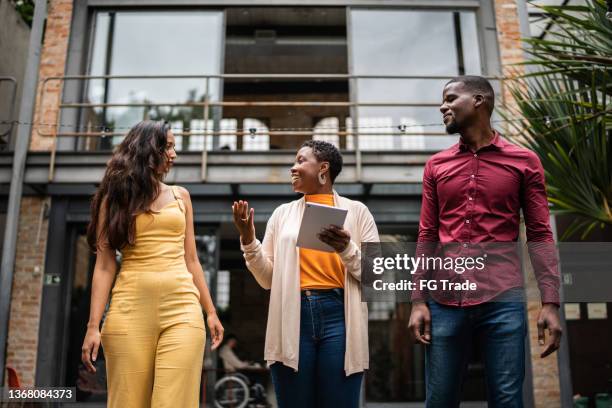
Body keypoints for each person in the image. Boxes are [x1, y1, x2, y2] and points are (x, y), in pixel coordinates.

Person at [408, 76, 562, 407]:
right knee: (439, 400)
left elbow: (539, 233)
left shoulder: (524, 161)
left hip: (503, 301)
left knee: (507, 400)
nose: (442, 106)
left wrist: (550, 301)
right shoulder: (436, 166)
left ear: (479, 101)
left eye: (450, 98)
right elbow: (427, 234)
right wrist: (418, 299)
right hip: (445, 302)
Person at [80, 120, 224, 408]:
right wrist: (93, 326)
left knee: (175, 402)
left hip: (182, 309)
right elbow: (105, 265)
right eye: (168, 146)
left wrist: (210, 311)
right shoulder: (115, 197)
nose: (174, 154)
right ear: (148, 149)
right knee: (129, 402)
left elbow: (192, 259)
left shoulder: (181, 196)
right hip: (129, 310)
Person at [232, 140, 379, 408]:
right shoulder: (282, 214)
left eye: (301, 161)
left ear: (324, 169)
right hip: (292, 316)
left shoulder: (358, 212)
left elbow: (374, 274)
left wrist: (345, 247)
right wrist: (248, 239)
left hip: (340, 318)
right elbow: (267, 279)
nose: (293, 167)